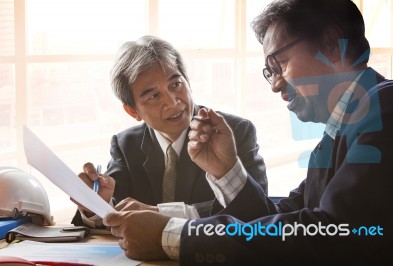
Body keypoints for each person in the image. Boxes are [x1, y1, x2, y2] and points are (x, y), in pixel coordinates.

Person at [103, 0, 393, 264]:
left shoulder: (388, 106)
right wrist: (227, 170)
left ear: (332, 44)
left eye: (279, 63)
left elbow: (332, 234)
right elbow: (276, 217)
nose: (275, 84)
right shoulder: (340, 132)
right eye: (269, 71)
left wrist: (170, 235)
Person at [71, 35, 268, 227]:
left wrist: (160, 214)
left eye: (176, 85)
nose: (173, 103)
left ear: (188, 82)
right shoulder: (125, 145)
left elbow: (257, 209)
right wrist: (96, 204)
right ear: (133, 111)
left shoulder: (233, 132)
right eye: (154, 96)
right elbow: (115, 209)